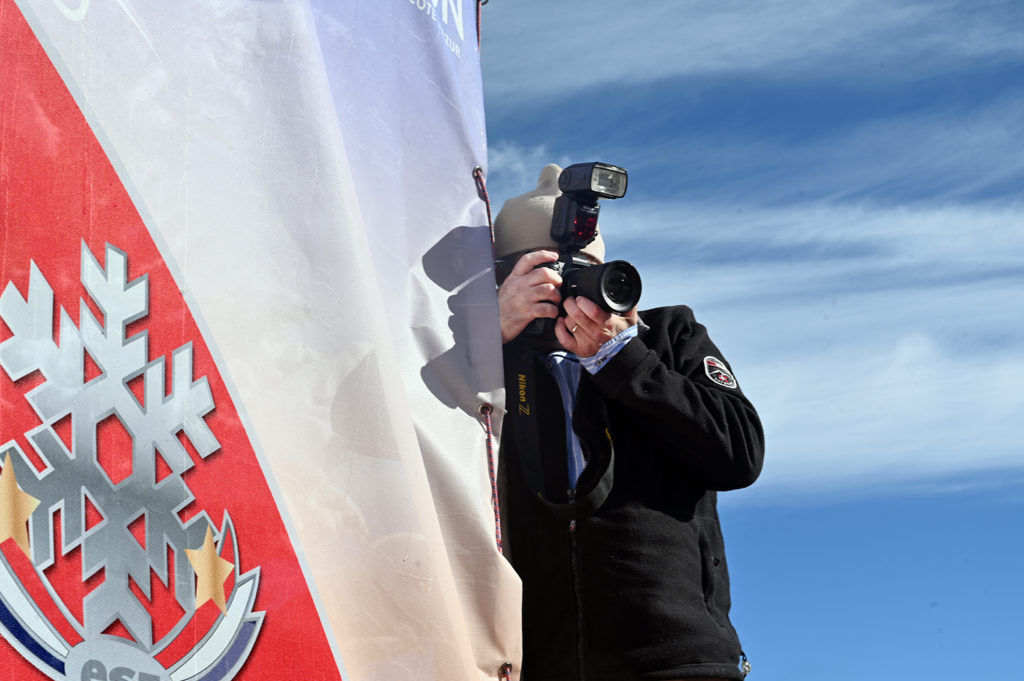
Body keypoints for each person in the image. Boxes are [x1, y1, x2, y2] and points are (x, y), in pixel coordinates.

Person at [494, 164, 765, 681]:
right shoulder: (483, 363)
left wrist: (622, 359)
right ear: (506, 278)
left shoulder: (668, 338)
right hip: (538, 663)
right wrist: (488, 345)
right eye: (548, 272)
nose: (575, 291)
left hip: (675, 659)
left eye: (587, 271)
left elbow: (740, 456)